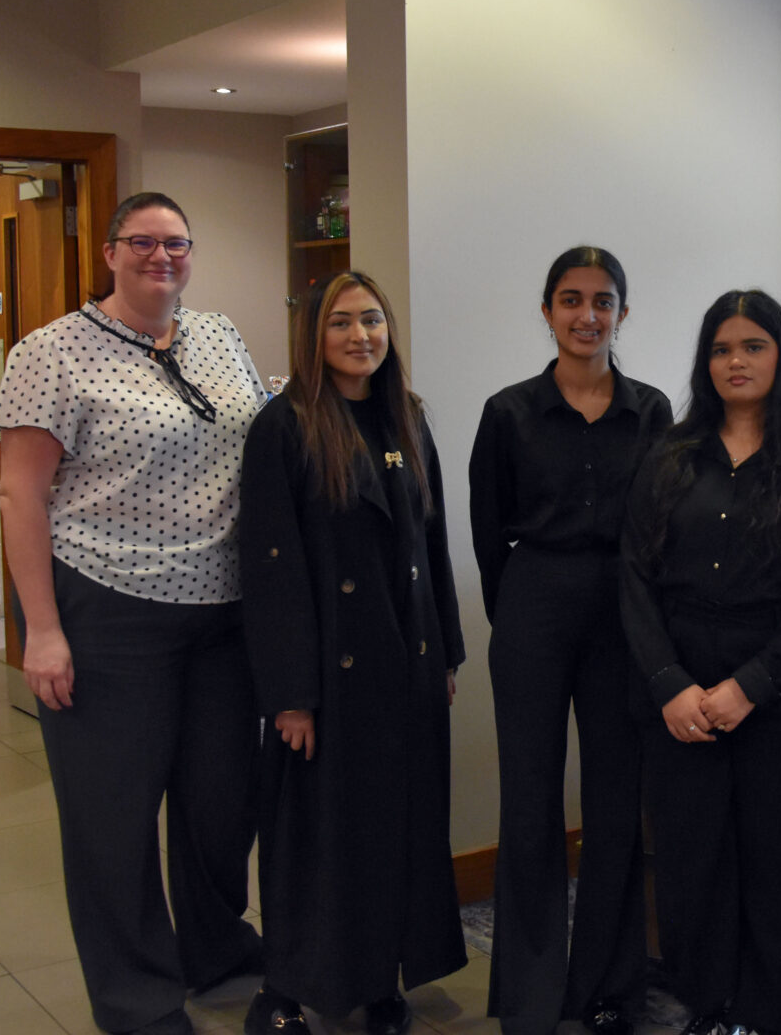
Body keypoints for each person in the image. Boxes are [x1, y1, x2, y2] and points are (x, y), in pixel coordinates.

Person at [0, 192, 266, 1035]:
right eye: (142, 243)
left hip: (223, 609)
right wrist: (42, 630)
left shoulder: (218, 335)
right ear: (109, 253)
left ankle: (217, 949)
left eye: (177, 242)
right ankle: (138, 1000)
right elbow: (20, 495)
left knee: (222, 803)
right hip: (107, 607)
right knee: (112, 819)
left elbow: (263, 430)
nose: (162, 257)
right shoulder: (50, 352)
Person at [622, 289, 781, 1035]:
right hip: (681, 694)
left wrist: (751, 687)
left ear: (780, 356)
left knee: (778, 859)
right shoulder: (670, 456)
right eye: (723, 348)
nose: (736, 361)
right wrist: (670, 686)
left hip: (780, 694)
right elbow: (632, 575)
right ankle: (708, 1003)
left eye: (753, 346)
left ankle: (768, 1011)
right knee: (694, 859)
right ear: (706, 362)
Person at [238, 271, 467, 1035]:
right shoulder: (286, 426)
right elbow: (272, 570)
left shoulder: (409, 418)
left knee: (395, 832)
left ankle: (381, 981)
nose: (360, 336)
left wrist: (447, 658)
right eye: (341, 323)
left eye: (372, 320)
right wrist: (289, 693)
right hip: (328, 677)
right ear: (315, 336)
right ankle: (286, 987)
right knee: (317, 839)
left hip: (406, 665)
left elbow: (432, 544)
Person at [468, 247, 672, 1035]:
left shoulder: (652, 412)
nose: (587, 315)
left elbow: (661, 528)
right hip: (534, 610)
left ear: (623, 313)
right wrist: (522, 609)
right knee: (529, 802)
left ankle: (610, 988)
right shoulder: (508, 411)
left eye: (603, 300)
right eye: (571, 299)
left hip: (625, 615)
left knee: (617, 803)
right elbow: (489, 537)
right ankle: (528, 991)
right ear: (547, 311)